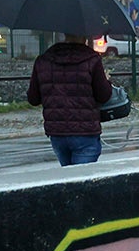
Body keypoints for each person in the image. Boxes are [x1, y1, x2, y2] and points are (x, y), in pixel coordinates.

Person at [27, 33, 114, 166]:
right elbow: (103, 96)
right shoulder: (92, 60)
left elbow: (33, 99)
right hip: (85, 132)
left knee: (68, 178)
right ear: (85, 36)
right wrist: (106, 81)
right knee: (81, 182)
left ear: (64, 34)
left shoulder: (43, 60)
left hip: (57, 132)